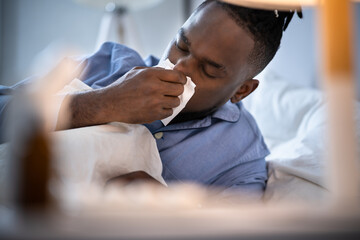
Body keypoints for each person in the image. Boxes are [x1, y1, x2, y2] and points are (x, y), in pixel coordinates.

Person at [0, 0, 300, 200]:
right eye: (182, 44)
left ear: (241, 90)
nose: (181, 66)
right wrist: (101, 103)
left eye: (208, 69)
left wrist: (164, 207)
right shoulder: (109, 62)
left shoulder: (242, 161)